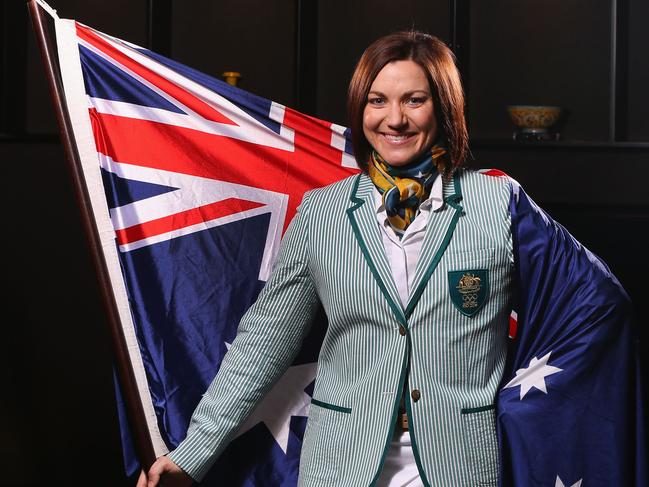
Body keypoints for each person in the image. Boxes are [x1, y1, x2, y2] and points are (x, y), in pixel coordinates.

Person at [138, 31, 644, 487]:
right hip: (340, 466)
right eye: (377, 101)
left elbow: (598, 305)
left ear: (443, 108)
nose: (394, 119)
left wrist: (518, 409)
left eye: (414, 100)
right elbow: (263, 343)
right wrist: (193, 454)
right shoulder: (323, 215)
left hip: (461, 465)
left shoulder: (499, 204)